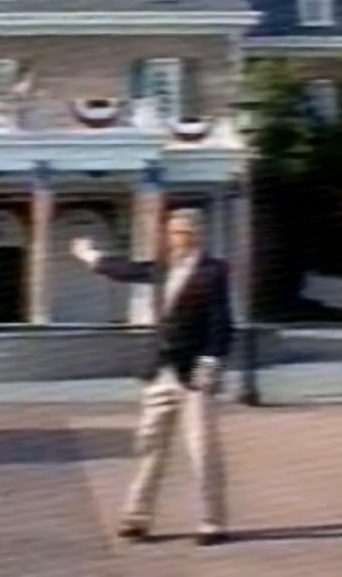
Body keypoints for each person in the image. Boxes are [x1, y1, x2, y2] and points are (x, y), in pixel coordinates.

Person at [70, 208, 233, 546]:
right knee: (148, 445)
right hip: (161, 370)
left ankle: (212, 522)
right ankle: (136, 519)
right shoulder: (163, 267)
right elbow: (126, 270)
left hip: (193, 375)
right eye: (171, 232)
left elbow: (221, 322)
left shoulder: (213, 271)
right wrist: (91, 256)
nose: (174, 239)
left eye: (180, 232)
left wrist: (211, 360)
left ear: (195, 234)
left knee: (202, 449)